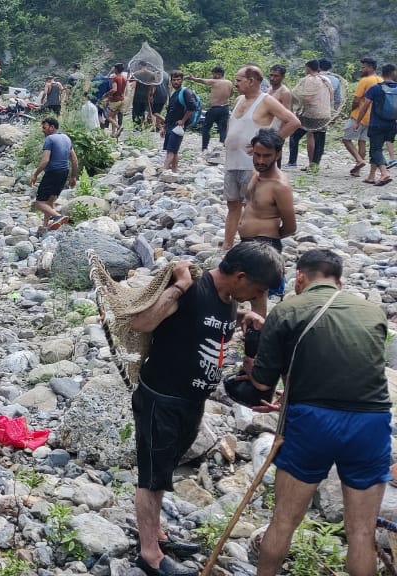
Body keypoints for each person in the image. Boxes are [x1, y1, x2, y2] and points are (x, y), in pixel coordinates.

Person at [127, 241, 283, 576]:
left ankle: (155, 532)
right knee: (152, 476)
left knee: (165, 468)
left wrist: (242, 316)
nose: (258, 296)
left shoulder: (228, 299)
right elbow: (141, 323)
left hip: (192, 400)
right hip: (162, 397)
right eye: (257, 290)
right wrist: (180, 286)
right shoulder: (192, 287)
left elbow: (201, 323)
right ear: (240, 277)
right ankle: (149, 554)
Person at [246, 249, 392, 576]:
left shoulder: (286, 310)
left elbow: (261, 383)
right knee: (362, 533)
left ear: (300, 277)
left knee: (283, 522)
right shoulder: (373, 311)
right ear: (339, 281)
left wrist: (255, 339)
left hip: (312, 423)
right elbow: (353, 367)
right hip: (370, 423)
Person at [221, 66, 300, 250]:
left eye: (239, 80)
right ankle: (227, 244)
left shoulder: (266, 101)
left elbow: (293, 121)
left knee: (253, 206)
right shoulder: (240, 99)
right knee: (232, 204)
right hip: (232, 161)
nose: (236, 83)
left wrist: (271, 142)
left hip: (252, 164)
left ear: (251, 81)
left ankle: (253, 245)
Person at [235, 128, 295, 317]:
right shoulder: (257, 174)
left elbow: (291, 227)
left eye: (267, 156)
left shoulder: (280, 186)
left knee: (257, 294)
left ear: (277, 154)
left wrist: (268, 238)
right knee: (236, 287)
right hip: (247, 243)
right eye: (257, 155)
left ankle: (256, 336)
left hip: (264, 244)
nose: (261, 161)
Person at [29, 117, 77, 231]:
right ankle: (46, 225)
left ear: (52, 127)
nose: (43, 130)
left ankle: (58, 217)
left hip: (53, 173)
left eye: (44, 127)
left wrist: (35, 174)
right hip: (64, 172)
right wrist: (73, 176)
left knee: (39, 203)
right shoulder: (66, 138)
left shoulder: (49, 139)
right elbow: (74, 160)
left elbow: (45, 160)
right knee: (50, 200)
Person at [356, 64, 397, 186]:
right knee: (376, 147)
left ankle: (384, 173)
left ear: (382, 73)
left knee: (375, 149)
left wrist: (358, 121)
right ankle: (371, 176)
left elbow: (365, 106)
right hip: (392, 124)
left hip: (377, 124)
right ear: (393, 73)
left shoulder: (375, 88)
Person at [286, 59, 332, 171]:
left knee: (294, 136)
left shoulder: (309, 79)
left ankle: (292, 161)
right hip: (325, 114)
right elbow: (331, 97)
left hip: (311, 115)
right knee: (320, 140)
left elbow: (307, 98)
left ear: (308, 68)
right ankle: (314, 166)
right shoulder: (326, 80)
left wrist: (298, 107)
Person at [343, 58, 381, 177]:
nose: (361, 69)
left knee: (346, 139)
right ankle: (358, 170)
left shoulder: (365, 80)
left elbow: (356, 99)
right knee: (362, 142)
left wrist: (351, 110)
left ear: (370, 67)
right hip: (373, 117)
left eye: (363, 67)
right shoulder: (380, 80)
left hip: (359, 115)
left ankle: (359, 160)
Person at [186, 66, 234, 153]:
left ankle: (204, 147)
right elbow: (231, 94)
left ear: (218, 74)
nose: (213, 76)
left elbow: (202, 80)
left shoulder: (214, 81)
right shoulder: (230, 83)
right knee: (223, 127)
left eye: (214, 74)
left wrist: (192, 78)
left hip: (215, 108)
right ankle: (222, 142)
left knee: (206, 127)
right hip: (225, 108)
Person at [161, 71, 198, 172]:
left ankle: (164, 172)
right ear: (171, 81)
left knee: (170, 151)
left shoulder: (185, 92)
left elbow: (192, 107)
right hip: (170, 125)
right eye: (174, 80)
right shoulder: (174, 93)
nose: (176, 82)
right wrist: (164, 126)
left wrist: (183, 120)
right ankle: (174, 171)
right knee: (174, 150)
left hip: (178, 127)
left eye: (178, 80)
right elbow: (170, 112)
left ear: (182, 80)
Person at [103, 64, 129, 137]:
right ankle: (113, 133)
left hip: (115, 100)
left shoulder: (115, 78)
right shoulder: (124, 78)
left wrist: (107, 94)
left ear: (116, 70)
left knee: (108, 117)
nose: (113, 70)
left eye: (114, 68)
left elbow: (114, 89)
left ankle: (118, 127)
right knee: (113, 116)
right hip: (122, 99)